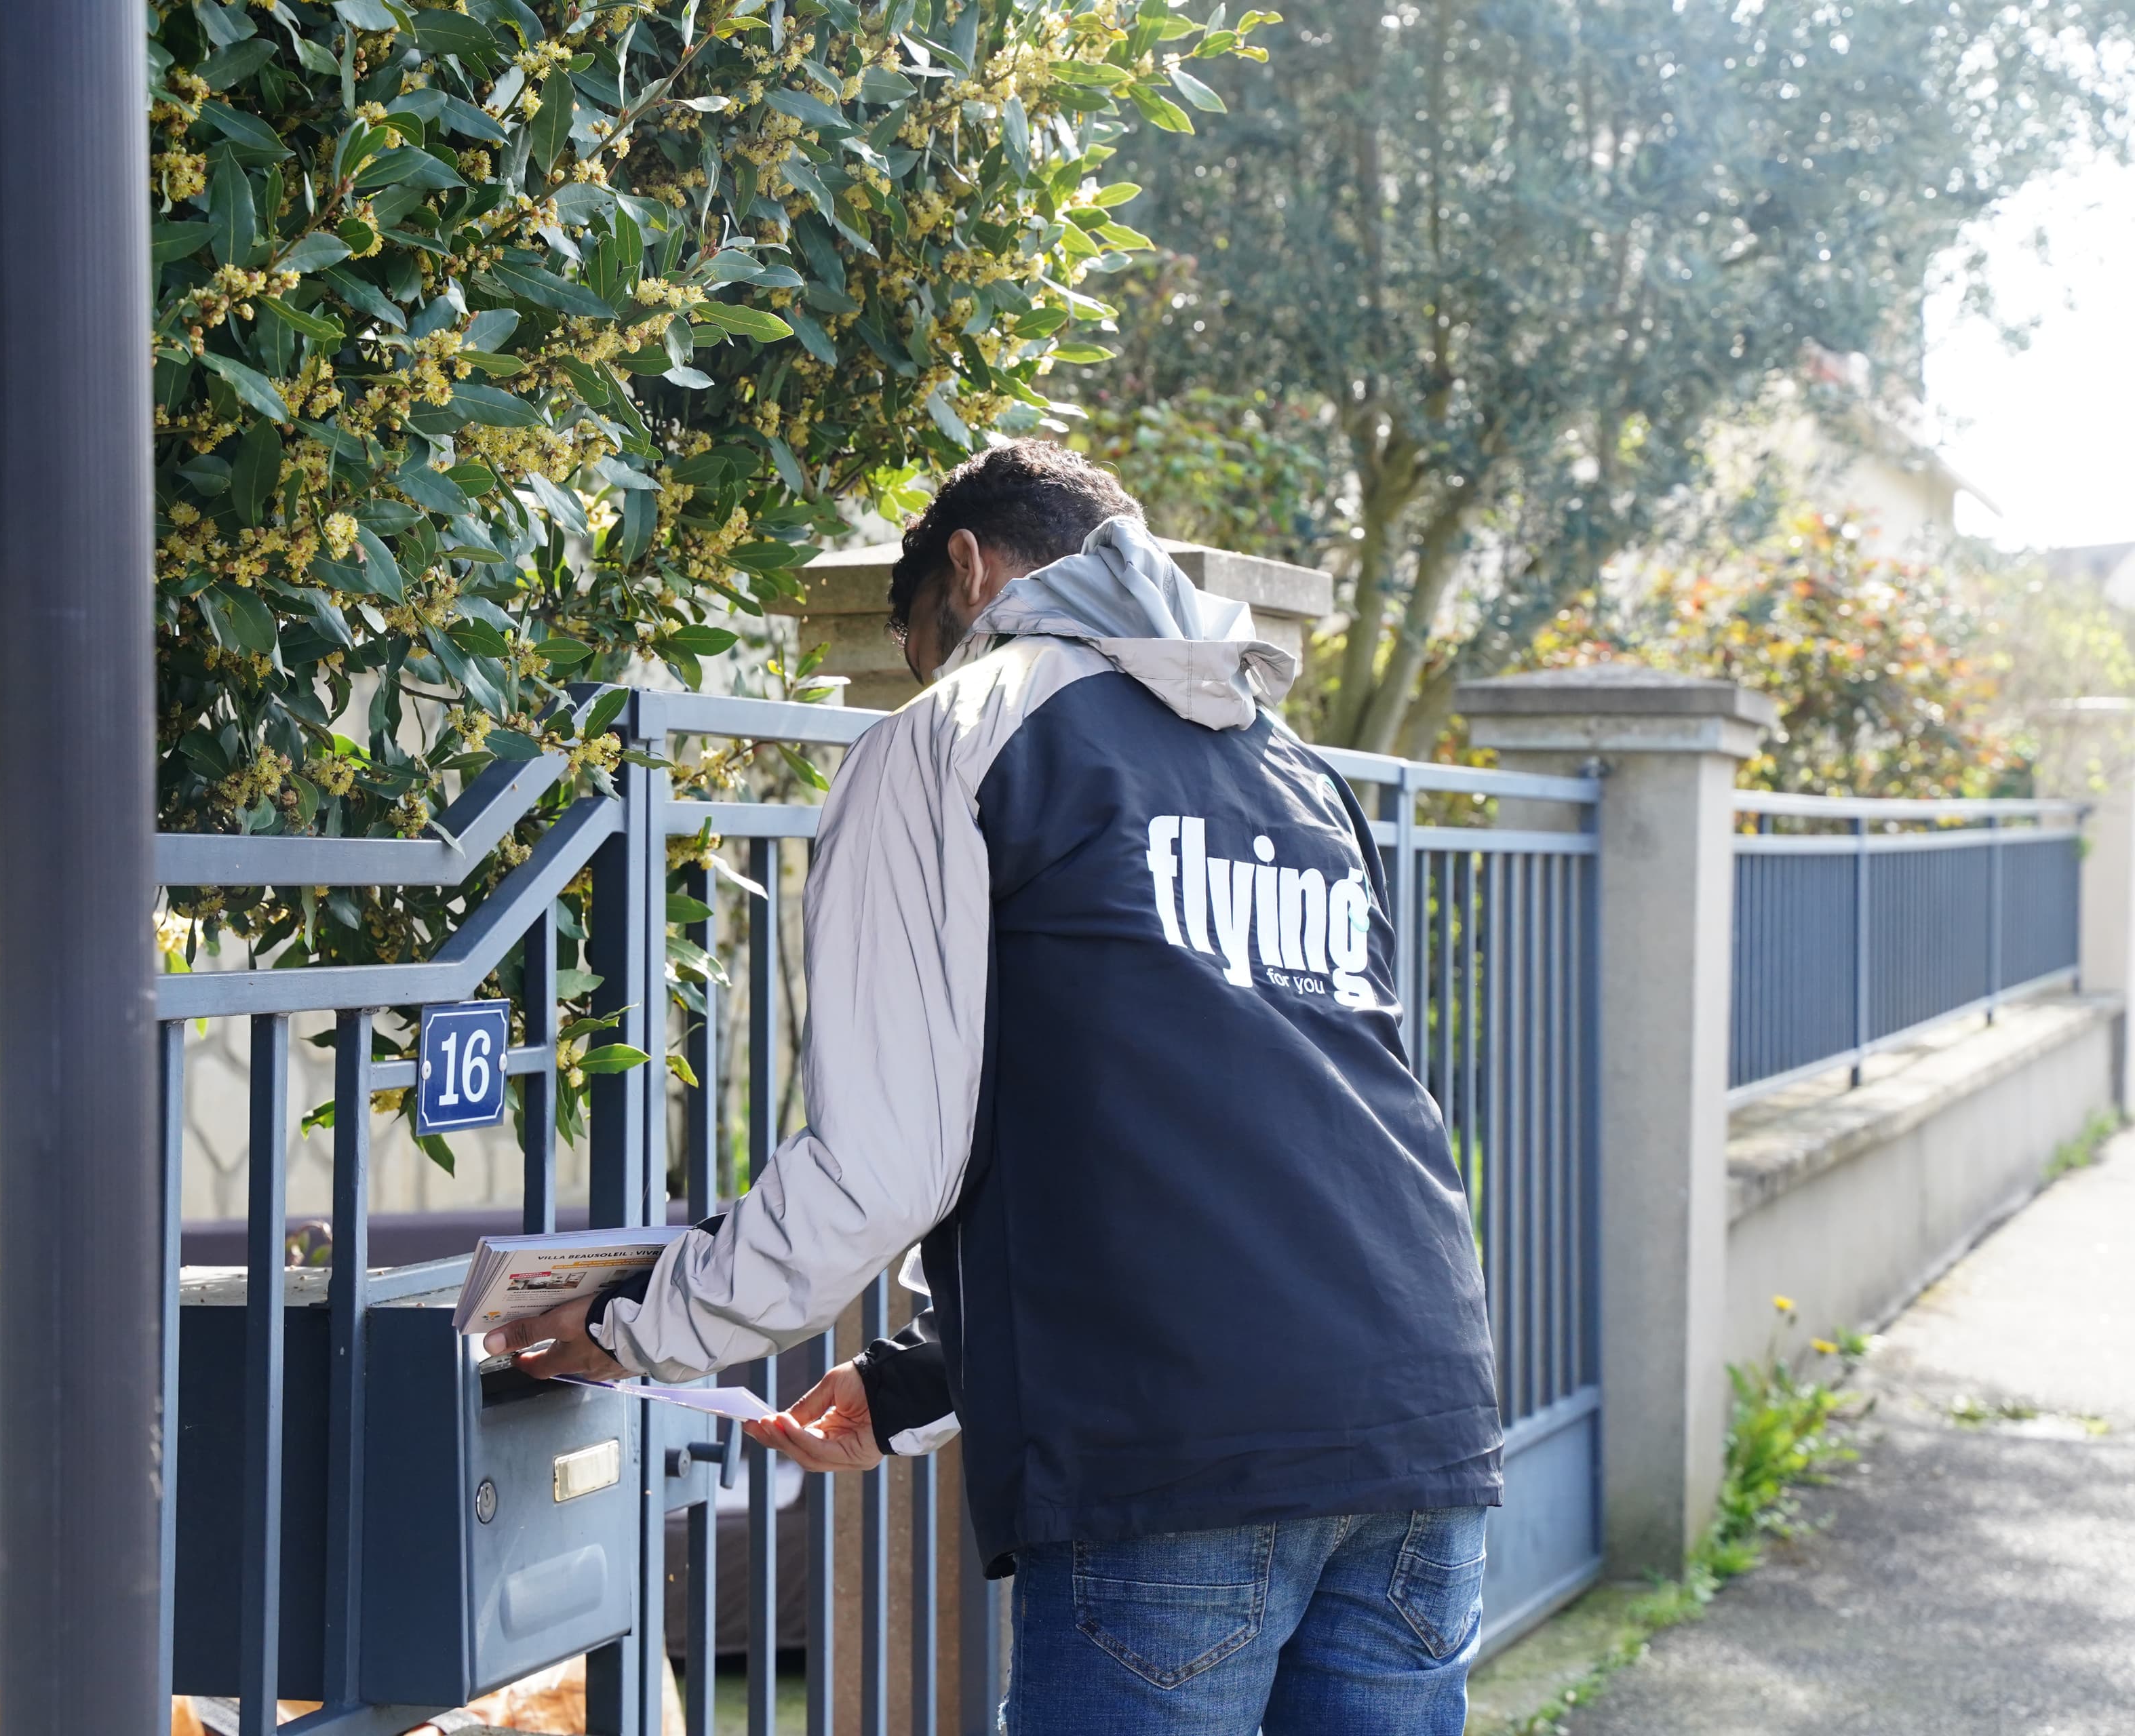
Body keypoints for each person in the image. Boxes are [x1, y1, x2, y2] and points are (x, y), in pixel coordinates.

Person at [486, 442, 1503, 1734]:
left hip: (1172, 1449)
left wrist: (639, 1322)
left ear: (966, 569)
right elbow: (1227, 1123)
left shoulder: (955, 734)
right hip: (1424, 1420)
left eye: (920, 643)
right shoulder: (1299, 771)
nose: (928, 672)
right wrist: (915, 1382)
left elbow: (882, 1166)